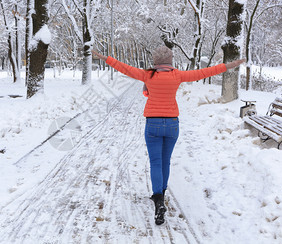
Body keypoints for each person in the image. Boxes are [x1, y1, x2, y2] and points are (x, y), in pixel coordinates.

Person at [92, 46, 245, 225]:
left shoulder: (148, 75)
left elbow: (124, 67)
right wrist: (231, 64)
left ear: (156, 60)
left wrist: (104, 57)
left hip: (153, 124)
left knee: (155, 162)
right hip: (172, 125)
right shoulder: (177, 75)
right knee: (166, 161)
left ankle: (158, 200)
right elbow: (205, 72)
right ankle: (162, 195)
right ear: (170, 60)